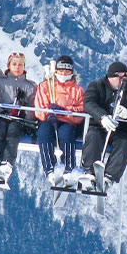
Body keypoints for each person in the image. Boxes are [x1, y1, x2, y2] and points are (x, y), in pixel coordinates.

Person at [77, 61, 127, 191]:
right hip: (99, 125)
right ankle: (89, 171)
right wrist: (102, 116)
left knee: (124, 143)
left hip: (120, 128)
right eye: (120, 77)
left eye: (125, 78)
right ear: (111, 77)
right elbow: (89, 103)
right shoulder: (96, 86)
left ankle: (109, 177)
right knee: (93, 136)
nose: (122, 81)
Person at [0, 51, 37, 182]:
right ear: (9, 65)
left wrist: (24, 114)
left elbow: (33, 107)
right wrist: (2, 112)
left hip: (19, 121)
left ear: (24, 67)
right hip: (1, 117)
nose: (17, 67)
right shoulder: (0, 83)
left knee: (13, 132)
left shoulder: (30, 86)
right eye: (14, 64)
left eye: (20, 65)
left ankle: (7, 163)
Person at [34, 55, 85, 186]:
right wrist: (49, 114)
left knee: (66, 133)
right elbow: (40, 108)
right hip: (48, 120)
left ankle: (69, 167)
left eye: (67, 72)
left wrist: (63, 111)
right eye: (61, 71)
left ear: (72, 73)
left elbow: (81, 111)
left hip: (68, 122)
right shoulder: (45, 86)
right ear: (56, 71)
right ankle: (50, 169)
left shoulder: (77, 90)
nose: (63, 74)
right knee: (44, 133)